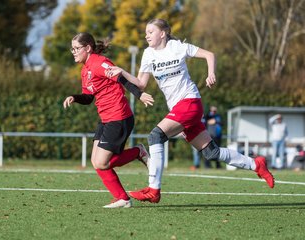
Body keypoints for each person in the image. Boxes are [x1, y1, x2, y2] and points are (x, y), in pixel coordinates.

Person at [106, 19, 275, 203]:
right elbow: (141, 83)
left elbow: (210, 55)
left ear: (162, 33)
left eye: (150, 31)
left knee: (155, 136)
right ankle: (255, 164)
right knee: (212, 152)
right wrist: (121, 71)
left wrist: (211, 73)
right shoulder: (148, 54)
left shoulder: (178, 47)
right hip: (180, 108)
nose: (146, 35)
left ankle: (154, 189)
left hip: (190, 102)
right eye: (145, 32)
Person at [63, 32, 154, 208]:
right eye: (72, 49)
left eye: (76, 48)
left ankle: (138, 153)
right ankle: (123, 198)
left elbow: (120, 77)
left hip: (119, 116)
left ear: (87, 48)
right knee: (96, 162)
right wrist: (75, 97)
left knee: (102, 162)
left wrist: (140, 94)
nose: (73, 52)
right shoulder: (85, 70)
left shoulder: (98, 62)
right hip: (106, 118)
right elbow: (89, 97)